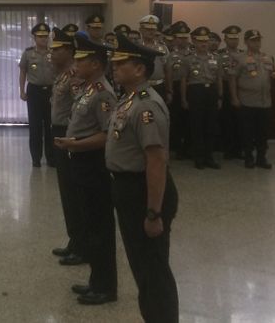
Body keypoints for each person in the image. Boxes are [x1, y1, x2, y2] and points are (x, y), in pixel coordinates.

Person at [106, 33, 179, 323]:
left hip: (144, 193)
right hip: (129, 189)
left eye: (120, 63)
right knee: (143, 269)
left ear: (139, 69)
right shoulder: (130, 99)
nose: (114, 66)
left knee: (153, 270)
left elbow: (156, 160)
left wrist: (153, 212)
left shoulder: (146, 105)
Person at [54, 34, 117, 306]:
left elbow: (108, 135)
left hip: (93, 164)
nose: (76, 63)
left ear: (95, 63)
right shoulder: (88, 88)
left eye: (81, 60)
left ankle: (105, 287)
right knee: (90, 225)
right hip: (80, 159)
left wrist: (76, 143)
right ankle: (96, 281)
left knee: (100, 228)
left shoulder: (103, 92)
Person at [49, 28, 87, 266]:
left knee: (74, 192)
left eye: (56, 50)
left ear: (69, 51)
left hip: (69, 135)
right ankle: (75, 241)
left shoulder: (74, 76)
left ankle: (82, 245)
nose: (52, 54)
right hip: (60, 133)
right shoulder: (63, 74)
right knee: (66, 191)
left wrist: (73, 140)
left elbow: (78, 111)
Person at [230, 29, 275, 169]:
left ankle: (261, 157)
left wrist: (274, 76)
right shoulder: (239, 58)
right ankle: (249, 157)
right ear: (246, 42)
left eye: (258, 40)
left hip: (265, 102)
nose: (257, 43)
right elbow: (232, 79)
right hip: (247, 101)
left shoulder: (268, 57)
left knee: (263, 132)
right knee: (247, 131)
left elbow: (271, 74)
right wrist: (234, 97)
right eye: (253, 40)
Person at [181, 26, 222, 170]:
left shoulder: (216, 58)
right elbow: (184, 80)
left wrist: (220, 97)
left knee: (211, 126)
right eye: (200, 41)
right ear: (193, 41)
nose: (204, 44)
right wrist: (184, 99)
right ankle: (198, 158)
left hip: (211, 92)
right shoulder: (188, 59)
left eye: (206, 41)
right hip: (195, 91)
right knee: (197, 126)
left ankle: (209, 157)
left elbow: (219, 79)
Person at [19, 22, 55, 167]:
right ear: (34, 37)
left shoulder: (53, 53)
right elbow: (22, 72)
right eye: (40, 37)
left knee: (50, 126)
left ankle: (51, 158)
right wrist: (21, 90)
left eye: (45, 36)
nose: (43, 39)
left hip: (51, 91)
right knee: (35, 126)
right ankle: (36, 158)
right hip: (34, 91)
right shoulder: (28, 53)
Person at [219, 25, 244, 160]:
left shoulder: (243, 54)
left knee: (240, 121)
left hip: (240, 89)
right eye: (230, 38)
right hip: (225, 88)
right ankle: (228, 149)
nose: (233, 41)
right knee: (227, 120)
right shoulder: (219, 54)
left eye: (236, 38)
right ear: (225, 39)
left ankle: (239, 149)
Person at [168, 21, 192, 159]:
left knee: (190, 119)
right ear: (175, 39)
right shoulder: (170, 55)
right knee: (176, 119)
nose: (183, 40)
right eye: (180, 37)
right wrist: (170, 91)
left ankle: (189, 146)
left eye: (185, 37)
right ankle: (178, 148)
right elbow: (169, 75)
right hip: (176, 88)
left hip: (191, 88)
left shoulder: (193, 54)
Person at [138, 15, 172, 104]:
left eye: (153, 29)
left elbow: (167, 70)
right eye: (148, 29)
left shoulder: (163, 47)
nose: (151, 31)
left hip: (159, 86)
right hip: (140, 85)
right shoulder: (136, 46)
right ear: (140, 30)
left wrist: (169, 90)